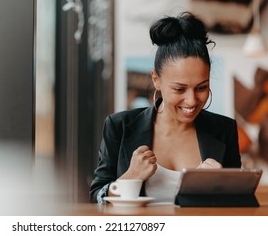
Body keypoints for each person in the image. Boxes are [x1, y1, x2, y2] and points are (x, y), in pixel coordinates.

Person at [90, 11, 242, 203]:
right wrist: (130, 178)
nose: (192, 100)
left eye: (202, 87)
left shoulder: (224, 130)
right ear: (156, 80)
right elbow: (96, 197)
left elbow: (238, 207)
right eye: (179, 89)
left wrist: (220, 187)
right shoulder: (119, 126)